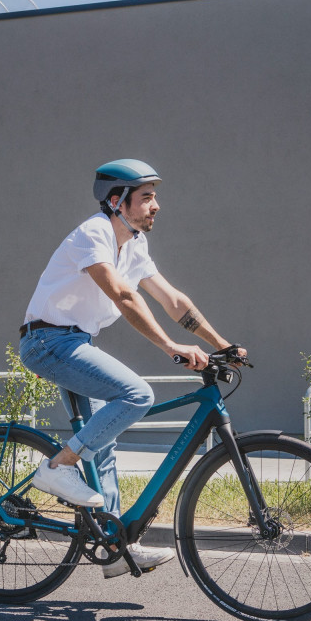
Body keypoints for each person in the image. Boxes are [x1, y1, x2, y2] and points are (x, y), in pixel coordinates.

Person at [19, 158, 246, 578]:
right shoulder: (94, 234)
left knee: (102, 440)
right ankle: (57, 467)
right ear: (116, 201)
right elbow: (123, 296)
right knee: (137, 394)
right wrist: (171, 347)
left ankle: (116, 546)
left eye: (154, 197)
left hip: (76, 342)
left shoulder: (135, 245)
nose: (156, 205)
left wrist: (222, 344)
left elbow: (173, 300)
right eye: (146, 197)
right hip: (47, 341)